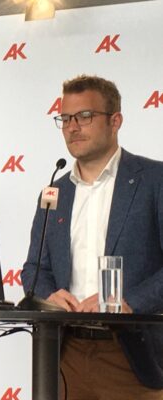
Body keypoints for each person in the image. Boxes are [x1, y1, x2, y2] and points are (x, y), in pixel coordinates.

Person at [21, 75, 163, 399]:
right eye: (65, 118)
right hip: (64, 354)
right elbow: (34, 268)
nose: (73, 127)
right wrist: (48, 296)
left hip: (133, 357)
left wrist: (130, 303)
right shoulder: (54, 192)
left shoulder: (155, 180)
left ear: (115, 121)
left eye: (85, 116)